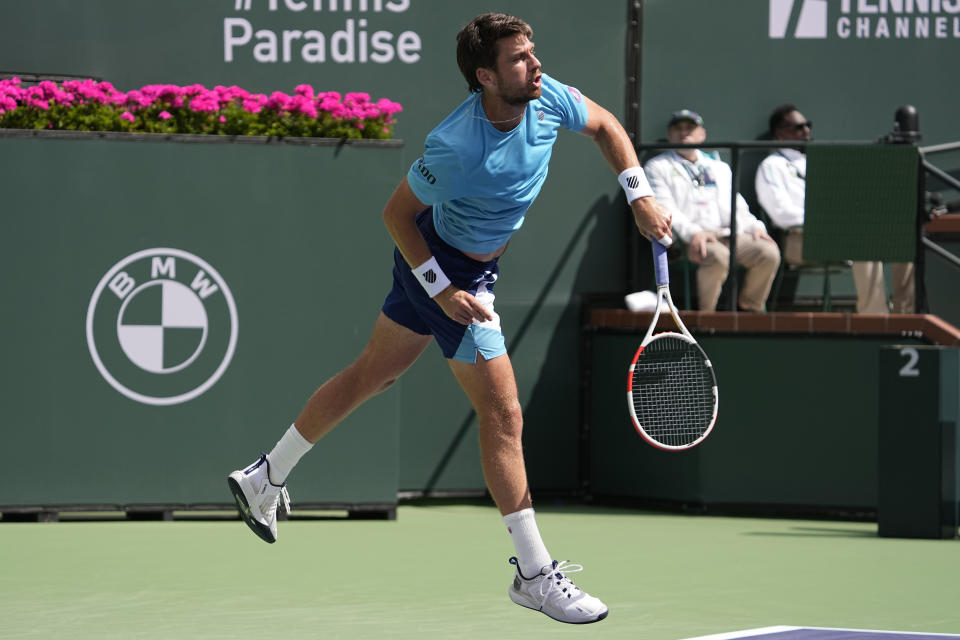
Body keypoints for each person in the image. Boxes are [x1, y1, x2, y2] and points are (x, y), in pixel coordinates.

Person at [226, 12, 672, 625]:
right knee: (504, 414)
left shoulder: (547, 98)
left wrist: (638, 193)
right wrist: (441, 291)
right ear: (485, 76)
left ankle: (265, 476)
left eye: (533, 51)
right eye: (519, 59)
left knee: (371, 375)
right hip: (446, 273)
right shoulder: (457, 145)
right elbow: (396, 215)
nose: (535, 64)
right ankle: (535, 575)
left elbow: (606, 125)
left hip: (461, 269)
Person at [755, 103, 914, 313]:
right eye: (799, 127)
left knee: (901, 238)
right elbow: (781, 213)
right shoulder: (771, 166)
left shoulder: (815, 160)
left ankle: (906, 313)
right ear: (780, 133)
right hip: (799, 239)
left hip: (837, 232)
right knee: (862, 239)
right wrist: (827, 221)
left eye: (808, 125)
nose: (806, 131)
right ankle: (874, 316)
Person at [644, 109, 780, 312]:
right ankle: (707, 317)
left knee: (768, 253)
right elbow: (665, 208)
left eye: (690, 128)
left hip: (729, 234)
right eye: (678, 128)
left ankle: (750, 308)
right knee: (717, 256)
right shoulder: (657, 166)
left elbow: (737, 204)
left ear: (702, 134)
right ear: (669, 135)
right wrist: (694, 233)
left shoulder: (719, 166)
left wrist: (755, 226)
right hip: (688, 239)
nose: (684, 133)